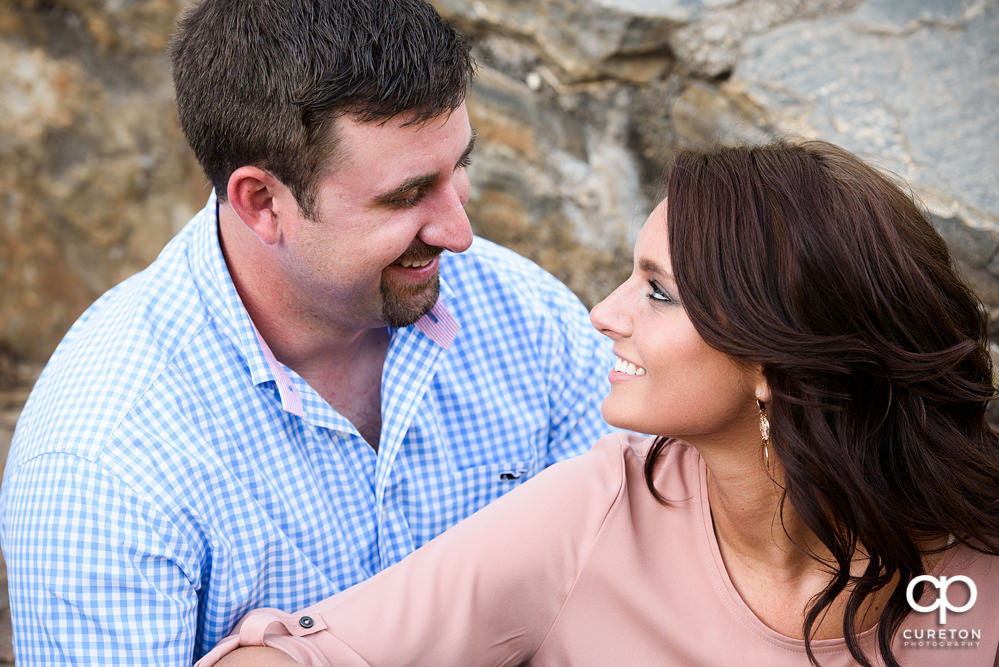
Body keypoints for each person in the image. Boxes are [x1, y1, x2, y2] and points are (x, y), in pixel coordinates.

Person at [198, 140, 999, 667]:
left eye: (657, 291)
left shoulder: (975, 582)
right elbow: (307, 653)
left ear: (772, 359)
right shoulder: (604, 505)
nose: (604, 312)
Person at [0, 0, 613, 663]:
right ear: (262, 201)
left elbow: (632, 583)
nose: (458, 233)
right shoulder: (108, 462)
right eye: (407, 196)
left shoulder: (525, 316)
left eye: (457, 169)